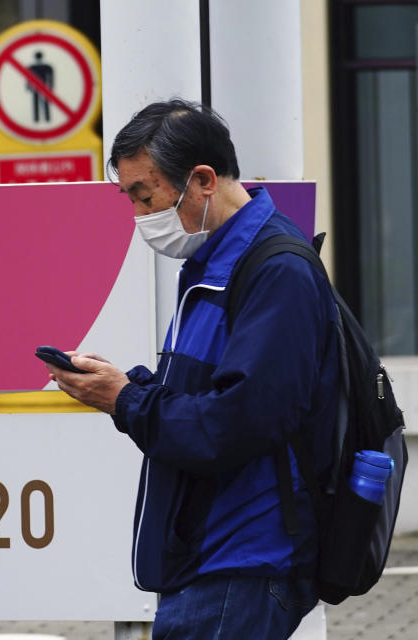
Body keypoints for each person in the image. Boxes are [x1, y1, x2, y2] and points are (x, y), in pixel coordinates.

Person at [42, 99, 339, 639]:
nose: (140, 217)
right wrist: (130, 387)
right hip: (210, 556)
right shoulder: (213, 263)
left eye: (146, 196)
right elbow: (208, 399)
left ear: (202, 179)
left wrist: (124, 400)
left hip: (239, 559)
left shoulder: (275, 273)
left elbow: (234, 426)